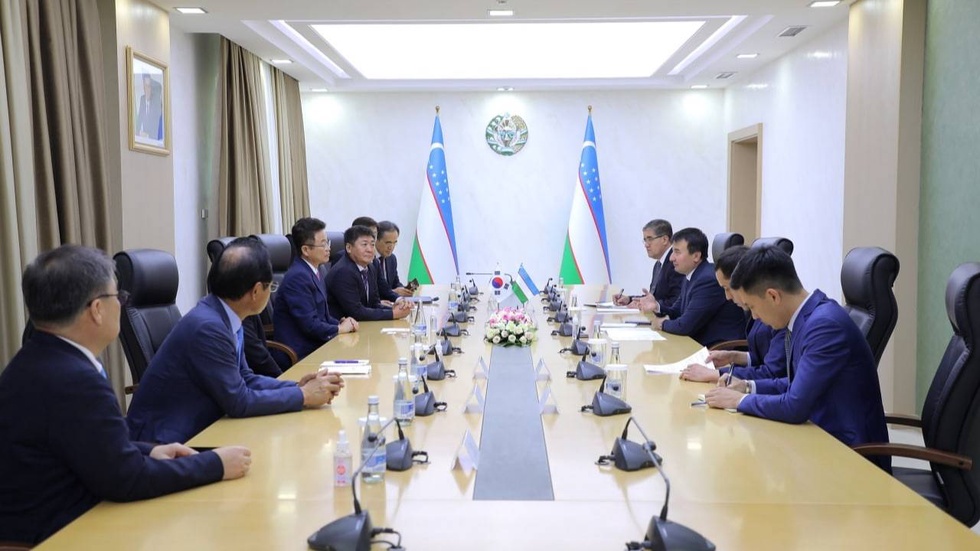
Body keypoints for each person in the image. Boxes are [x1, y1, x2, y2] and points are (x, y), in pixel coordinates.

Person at [0, 245, 251, 545]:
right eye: (118, 297)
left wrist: (149, 451)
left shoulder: (38, 359)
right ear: (97, 309)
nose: (121, 304)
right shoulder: (75, 379)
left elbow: (91, 445)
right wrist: (216, 464)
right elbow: (127, 479)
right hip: (58, 535)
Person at [127, 237, 344, 444]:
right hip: (166, 441)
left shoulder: (225, 315)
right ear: (256, 291)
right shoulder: (209, 328)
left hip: (203, 426)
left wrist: (296, 386)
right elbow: (238, 402)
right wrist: (303, 395)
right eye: (271, 287)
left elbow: (245, 378)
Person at [704, 246, 889, 470]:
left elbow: (795, 405)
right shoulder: (807, 318)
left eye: (752, 307)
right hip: (818, 436)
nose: (755, 316)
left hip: (849, 455)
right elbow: (796, 385)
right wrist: (747, 386)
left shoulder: (824, 326)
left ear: (773, 296)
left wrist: (738, 401)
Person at [680, 246, 786, 383]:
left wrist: (718, 374)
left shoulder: (776, 317)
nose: (727, 297)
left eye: (728, 288)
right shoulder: (758, 310)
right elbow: (764, 357)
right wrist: (733, 357)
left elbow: (773, 372)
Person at [636, 227, 745, 347]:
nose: (671, 258)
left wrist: (662, 324)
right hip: (698, 344)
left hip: (719, 348)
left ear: (696, 256)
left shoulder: (707, 280)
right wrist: (657, 306)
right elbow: (677, 311)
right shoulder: (691, 275)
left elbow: (685, 326)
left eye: (677, 252)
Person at [274, 217, 358, 362]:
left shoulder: (316, 271)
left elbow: (323, 316)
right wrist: (339, 329)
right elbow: (309, 325)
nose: (328, 248)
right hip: (301, 353)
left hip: (317, 345)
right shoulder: (298, 277)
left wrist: (340, 323)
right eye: (323, 244)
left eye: (328, 242)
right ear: (306, 250)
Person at [326, 225, 413, 321]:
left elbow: (374, 304)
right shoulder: (343, 272)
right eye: (364, 244)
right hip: (342, 326)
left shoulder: (370, 267)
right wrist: (393, 313)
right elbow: (356, 312)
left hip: (363, 325)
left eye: (372, 244)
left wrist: (396, 308)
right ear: (349, 248)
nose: (370, 249)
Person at [614, 219, 683, 310]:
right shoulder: (658, 264)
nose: (646, 245)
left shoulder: (676, 263)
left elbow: (676, 302)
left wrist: (653, 306)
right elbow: (653, 298)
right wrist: (629, 299)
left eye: (650, 239)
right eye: (645, 240)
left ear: (665, 239)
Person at [376, 220, 414, 298]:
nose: (391, 247)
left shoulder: (392, 258)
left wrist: (404, 290)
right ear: (376, 240)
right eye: (388, 243)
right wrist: (393, 292)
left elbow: (395, 283)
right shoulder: (369, 260)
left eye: (394, 243)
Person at [135, 74, 163, 140]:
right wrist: (137, 132)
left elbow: (157, 127)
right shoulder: (142, 99)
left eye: (149, 86)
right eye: (145, 86)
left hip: (153, 138)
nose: (147, 89)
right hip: (144, 137)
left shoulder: (156, 103)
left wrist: (148, 135)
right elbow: (140, 118)